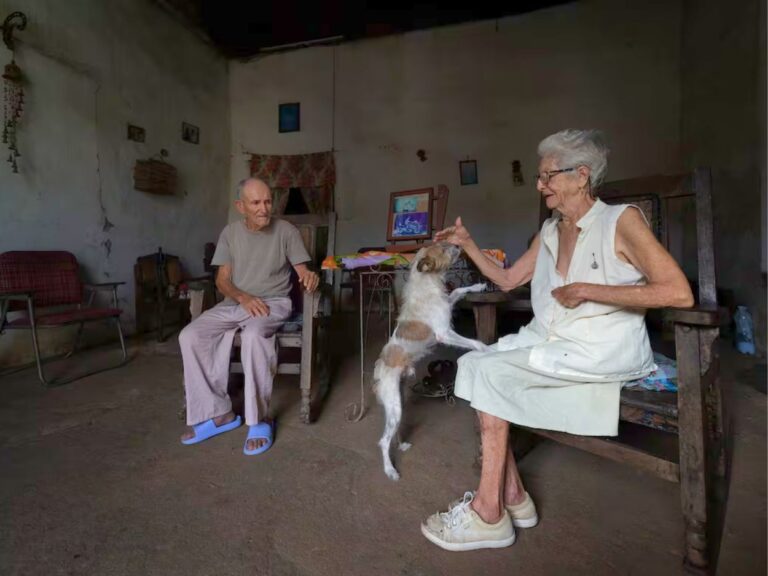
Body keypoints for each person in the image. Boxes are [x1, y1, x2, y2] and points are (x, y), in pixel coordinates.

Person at [421, 129, 694, 551]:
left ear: (581, 176)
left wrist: (589, 289)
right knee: (473, 363)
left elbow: (677, 292)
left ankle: (488, 514)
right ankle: (513, 497)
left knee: (488, 372)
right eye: (540, 176)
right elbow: (509, 279)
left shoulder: (621, 220)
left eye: (548, 175)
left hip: (602, 347)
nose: (539, 185)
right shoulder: (551, 229)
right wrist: (468, 244)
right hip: (553, 340)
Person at [179, 178, 319, 455]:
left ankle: (259, 419)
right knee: (191, 335)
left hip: (274, 302)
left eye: (267, 201)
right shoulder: (230, 234)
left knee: (254, 335)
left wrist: (309, 275)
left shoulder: (286, 231)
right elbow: (222, 281)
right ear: (240, 206)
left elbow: (302, 270)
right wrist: (243, 297)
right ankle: (220, 414)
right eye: (255, 202)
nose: (264, 208)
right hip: (235, 303)